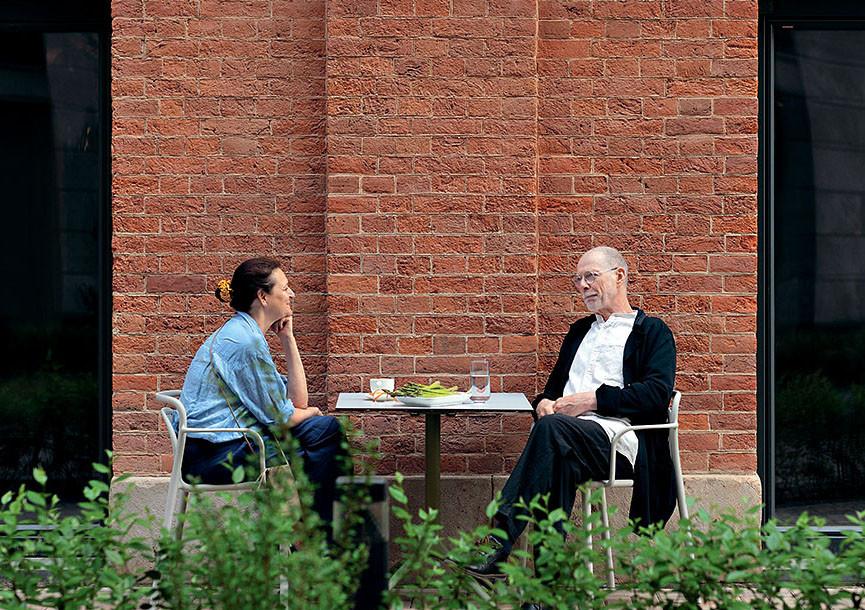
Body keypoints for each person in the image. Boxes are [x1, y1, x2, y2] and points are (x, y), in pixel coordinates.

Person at [467, 246, 677, 584]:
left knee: (553, 432)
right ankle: (545, 594)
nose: (583, 286)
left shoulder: (652, 331)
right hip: (566, 439)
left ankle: (498, 540)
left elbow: (656, 395)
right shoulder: (580, 331)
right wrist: (543, 403)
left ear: (619, 276)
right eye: (578, 279)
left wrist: (593, 400)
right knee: (557, 455)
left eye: (590, 276)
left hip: (618, 445)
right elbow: (551, 390)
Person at [178, 257, 348, 530]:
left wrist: (288, 339)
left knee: (324, 432)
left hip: (226, 442)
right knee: (323, 440)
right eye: (285, 287)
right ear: (263, 296)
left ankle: (316, 537)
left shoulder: (244, 332)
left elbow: (295, 402)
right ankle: (318, 539)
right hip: (213, 455)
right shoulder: (245, 341)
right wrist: (311, 412)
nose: (292, 294)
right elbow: (283, 418)